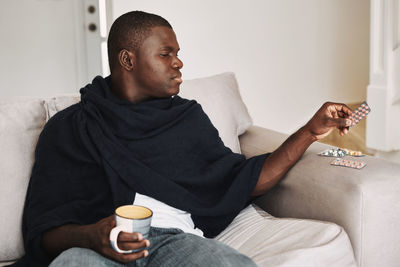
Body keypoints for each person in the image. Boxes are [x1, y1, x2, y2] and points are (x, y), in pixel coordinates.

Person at [17, 11, 357, 267]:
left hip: (175, 243)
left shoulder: (185, 117)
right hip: (93, 249)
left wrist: (311, 130)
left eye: (177, 53)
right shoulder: (71, 127)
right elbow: (44, 229)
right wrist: (91, 235)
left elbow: (243, 180)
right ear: (128, 59)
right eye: (165, 54)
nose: (179, 63)